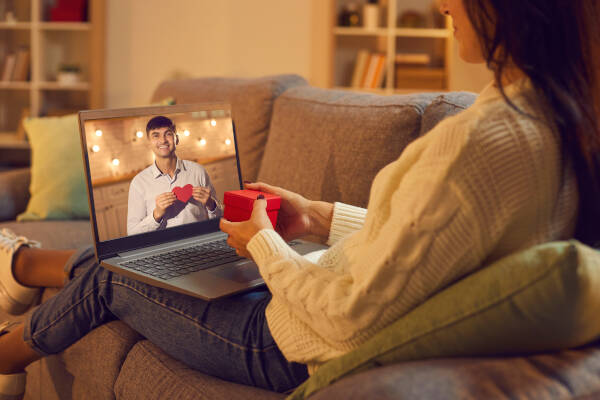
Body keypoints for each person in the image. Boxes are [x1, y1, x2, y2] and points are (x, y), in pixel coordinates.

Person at [1, 0, 599, 397]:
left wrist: (260, 241)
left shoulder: (485, 142)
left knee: (119, 271)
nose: (442, 2)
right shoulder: (554, 117)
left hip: (290, 340)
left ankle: (9, 347)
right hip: (305, 292)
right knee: (141, 254)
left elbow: (349, 313)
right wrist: (316, 216)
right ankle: (23, 265)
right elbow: (429, 243)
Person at [126, 115, 222, 236]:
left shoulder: (198, 171)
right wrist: (156, 215)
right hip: (162, 248)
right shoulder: (139, 182)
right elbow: (132, 233)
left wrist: (211, 204)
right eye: (156, 135)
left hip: (198, 240)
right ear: (149, 143)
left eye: (168, 134)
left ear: (176, 139)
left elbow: (221, 218)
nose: (163, 140)